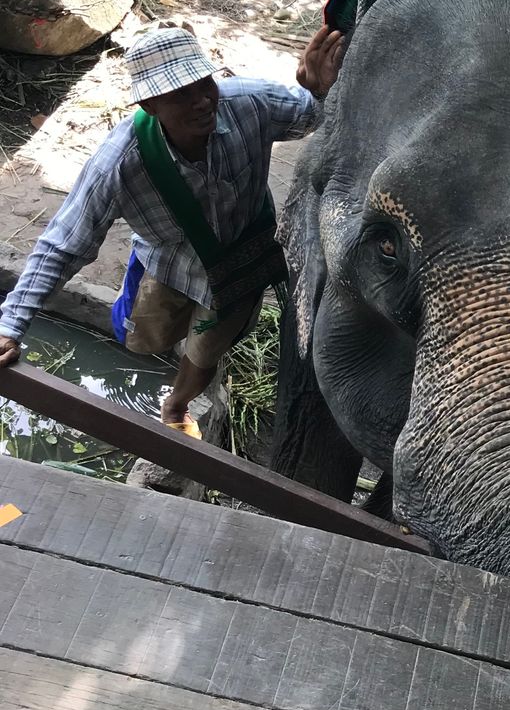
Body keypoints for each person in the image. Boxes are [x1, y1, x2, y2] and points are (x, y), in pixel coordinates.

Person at [0, 24, 345, 437]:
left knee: (205, 351)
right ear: (149, 104)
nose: (202, 101)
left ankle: (176, 405)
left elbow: (311, 113)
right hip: (169, 264)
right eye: (181, 94)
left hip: (242, 262)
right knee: (143, 337)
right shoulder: (118, 165)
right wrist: (11, 325)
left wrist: (324, 92)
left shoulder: (249, 104)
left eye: (204, 83)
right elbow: (63, 244)